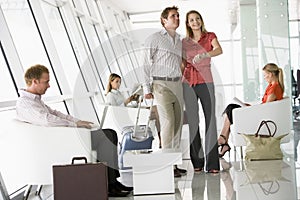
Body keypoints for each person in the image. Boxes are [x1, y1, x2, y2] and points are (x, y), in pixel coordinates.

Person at [16, 64, 132, 197]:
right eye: (46, 82)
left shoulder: (36, 101)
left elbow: (56, 114)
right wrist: (75, 126)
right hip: (61, 142)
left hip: (63, 137)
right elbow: (48, 120)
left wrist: (77, 121)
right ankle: (110, 184)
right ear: (35, 81)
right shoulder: (25, 103)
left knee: (110, 133)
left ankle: (112, 182)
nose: (49, 85)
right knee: (106, 135)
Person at [143, 6, 186, 177]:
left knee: (177, 124)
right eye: (173, 16)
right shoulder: (154, 38)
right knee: (167, 122)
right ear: (164, 20)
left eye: (177, 15)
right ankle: (167, 164)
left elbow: (180, 63)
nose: (176, 18)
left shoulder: (179, 40)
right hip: (161, 85)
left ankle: (174, 164)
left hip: (177, 84)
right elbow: (146, 64)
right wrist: (147, 88)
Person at [182, 10, 223, 173]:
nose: (195, 22)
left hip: (206, 82)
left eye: (197, 19)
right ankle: (197, 163)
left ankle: (212, 164)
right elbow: (182, 62)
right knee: (193, 123)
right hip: (188, 84)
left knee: (210, 121)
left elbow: (218, 50)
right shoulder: (184, 42)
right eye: (191, 20)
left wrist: (205, 54)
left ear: (201, 20)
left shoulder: (210, 36)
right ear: (188, 23)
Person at [218, 63, 284, 157]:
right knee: (231, 108)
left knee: (230, 108)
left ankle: (223, 140)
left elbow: (265, 109)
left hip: (260, 119)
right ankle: (224, 141)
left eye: (265, 75)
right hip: (259, 114)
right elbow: (264, 106)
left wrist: (250, 109)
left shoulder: (274, 89)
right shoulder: (272, 86)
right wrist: (248, 106)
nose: (264, 78)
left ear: (270, 74)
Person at [105, 73, 162, 147]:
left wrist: (136, 102)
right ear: (111, 82)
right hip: (128, 115)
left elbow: (127, 106)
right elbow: (115, 110)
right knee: (156, 111)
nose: (119, 84)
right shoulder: (110, 95)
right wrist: (127, 101)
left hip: (131, 111)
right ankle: (161, 139)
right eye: (117, 81)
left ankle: (161, 138)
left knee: (157, 110)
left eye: (120, 82)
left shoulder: (119, 93)